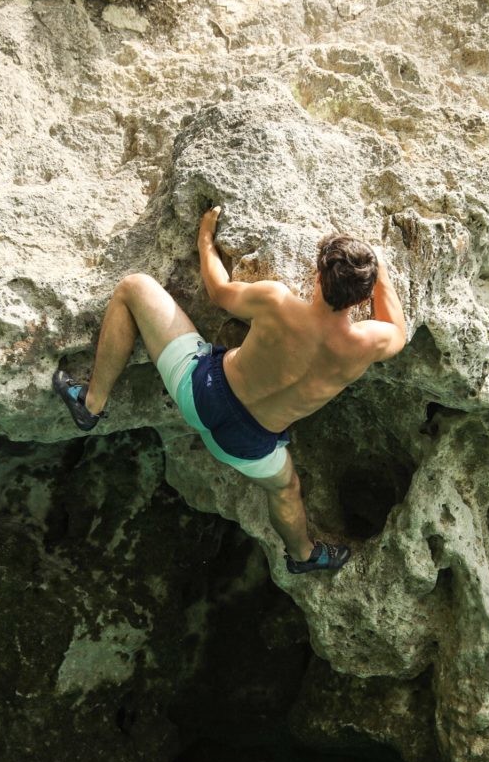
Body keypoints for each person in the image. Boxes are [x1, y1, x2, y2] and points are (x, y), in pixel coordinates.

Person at [53, 207, 407, 574]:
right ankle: (304, 556)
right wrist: (377, 270)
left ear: (318, 276)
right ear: (361, 300)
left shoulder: (277, 301)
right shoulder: (367, 344)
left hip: (200, 393)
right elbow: (397, 329)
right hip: (245, 448)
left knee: (133, 288)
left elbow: (219, 290)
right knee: (286, 488)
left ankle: (90, 404)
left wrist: (205, 238)